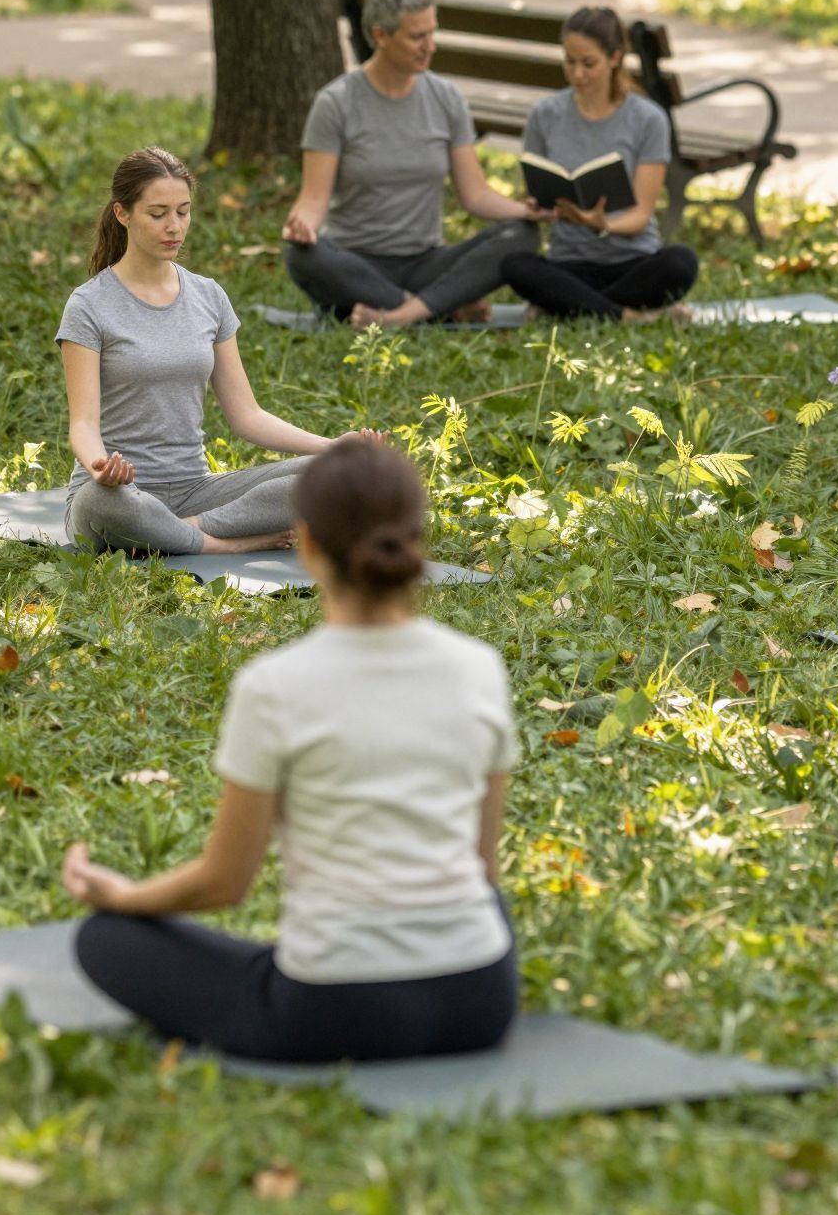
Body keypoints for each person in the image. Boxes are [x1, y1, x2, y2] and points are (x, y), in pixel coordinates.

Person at [63, 438, 519, 1065]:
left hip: (331, 1013)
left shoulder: (275, 685)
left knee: (105, 941)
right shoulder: (481, 669)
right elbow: (483, 869)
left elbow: (226, 883)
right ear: (418, 539)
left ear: (303, 544)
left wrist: (123, 898)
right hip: (480, 1001)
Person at [59, 147, 383, 557]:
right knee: (100, 503)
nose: (174, 227)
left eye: (183, 211)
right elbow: (82, 426)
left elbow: (247, 416)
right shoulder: (89, 305)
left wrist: (333, 446)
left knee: (348, 474)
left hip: (197, 492)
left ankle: (180, 533)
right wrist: (101, 468)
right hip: (119, 495)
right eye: (157, 214)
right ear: (122, 214)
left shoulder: (209, 297)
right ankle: (222, 544)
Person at [282, 0, 537, 328]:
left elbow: (476, 195)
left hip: (426, 266)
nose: (430, 46)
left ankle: (399, 314)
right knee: (302, 256)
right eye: (418, 36)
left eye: (432, 33)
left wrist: (529, 213)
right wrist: (302, 226)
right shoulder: (336, 103)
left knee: (522, 236)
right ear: (381, 36)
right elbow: (313, 199)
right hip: (356, 265)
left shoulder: (446, 98)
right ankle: (439, 310)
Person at [502, 7, 699, 324]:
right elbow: (536, 193)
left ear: (615, 58)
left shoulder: (648, 119)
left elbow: (640, 215)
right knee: (515, 265)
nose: (578, 74)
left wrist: (602, 224)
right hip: (569, 263)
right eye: (570, 62)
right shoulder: (545, 114)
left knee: (681, 262)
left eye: (588, 63)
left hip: (632, 263)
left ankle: (565, 307)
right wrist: (538, 207)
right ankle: (632, 316)